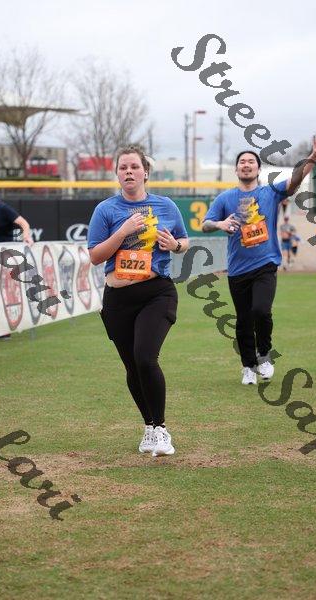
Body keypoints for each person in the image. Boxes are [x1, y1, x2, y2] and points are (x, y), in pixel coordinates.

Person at [87, 145, 189, 456]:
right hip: (118, 298)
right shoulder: (105, 210)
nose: (129, 172)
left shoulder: (165, 205)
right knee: (132, 366)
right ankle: (148, 427)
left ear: (145, 172)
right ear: (117, 174)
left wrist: (174, 245)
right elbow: (95, 256)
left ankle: (161, 429)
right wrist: (123, 231)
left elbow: (184, 241)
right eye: (123, 167)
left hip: (156, 292)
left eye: (134, 167)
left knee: (145, 358)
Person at [202, 135, 316, 385]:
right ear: (236, 169)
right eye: (242, 162)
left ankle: (264, 355)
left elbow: (295, 179)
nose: (246, 165)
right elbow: (205, 224)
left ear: (258, 169)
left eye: (251, 162)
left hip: (265, 264)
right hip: (237, 269)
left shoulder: (270, 192)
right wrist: (219, 224)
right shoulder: (225, 199)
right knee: (244, 321)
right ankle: (248, 366)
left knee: (261, 310)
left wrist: (311, 159)